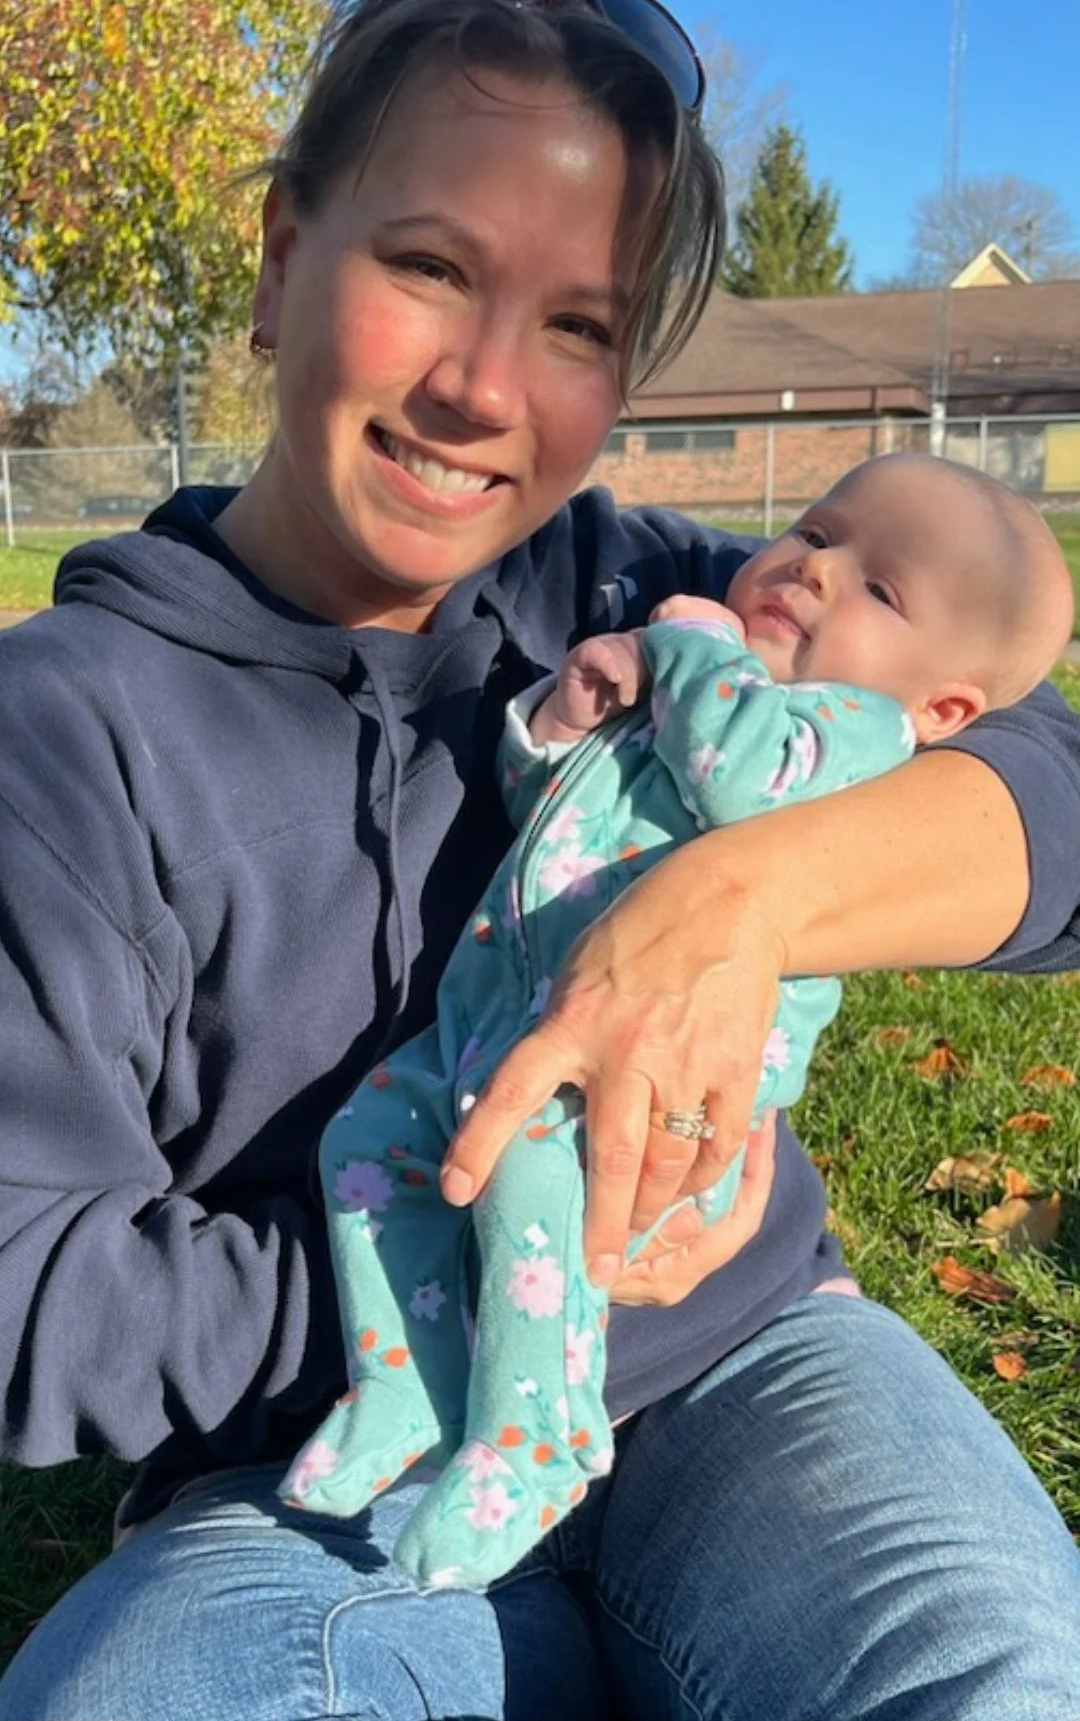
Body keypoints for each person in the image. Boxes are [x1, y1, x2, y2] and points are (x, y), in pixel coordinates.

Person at [0, 0, 1078, 1721]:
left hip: (746, 1368)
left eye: (576, 323)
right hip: (320, 1467)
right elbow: (35, 1295)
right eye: (431, 267)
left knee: (1007, 1674)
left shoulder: (642, 587)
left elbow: (1044, 778)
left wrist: (750, 891)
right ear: (283, 259)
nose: (485, 391)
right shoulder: (64, 732)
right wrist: (472, 1268)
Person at [281, 452, 1073, 1590]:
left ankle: (535, 1439)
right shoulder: (708, 686)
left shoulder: (849, 732)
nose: (813, 570)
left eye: (880, 590)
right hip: (496, 1030)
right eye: (814, 530)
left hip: (641, 1104)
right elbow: (555, 813)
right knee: (365, 1143)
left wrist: (686, 643)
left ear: (943, 704)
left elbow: (741, 776)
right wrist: (561, 723)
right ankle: (401, 1379)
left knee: (529, 1181)